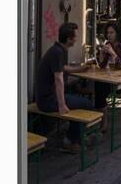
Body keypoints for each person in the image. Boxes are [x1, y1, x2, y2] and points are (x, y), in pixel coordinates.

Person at [35, 22, 94, 154]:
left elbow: (63, 68)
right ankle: (70, 141)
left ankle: (76, 137)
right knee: (87, 104)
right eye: (75, 37)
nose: (77, 39)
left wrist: (81, 69)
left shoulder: (57, 49)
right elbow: (59, 79)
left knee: (79, 99)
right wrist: (62, 105)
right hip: (47, 101)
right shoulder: (58, 53)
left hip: (47, 98)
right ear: (69, 39)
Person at [95, 22, 121, 131]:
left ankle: (103, 122)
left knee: (99, 88)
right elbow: (102, 66)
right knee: (98, 86)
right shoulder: (108, 44)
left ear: (117, 33)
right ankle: (99, 120)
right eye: (107, 33)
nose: (109, 35)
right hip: (112, 78)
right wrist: (102, 54)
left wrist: (113, 53)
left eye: (111, 32)